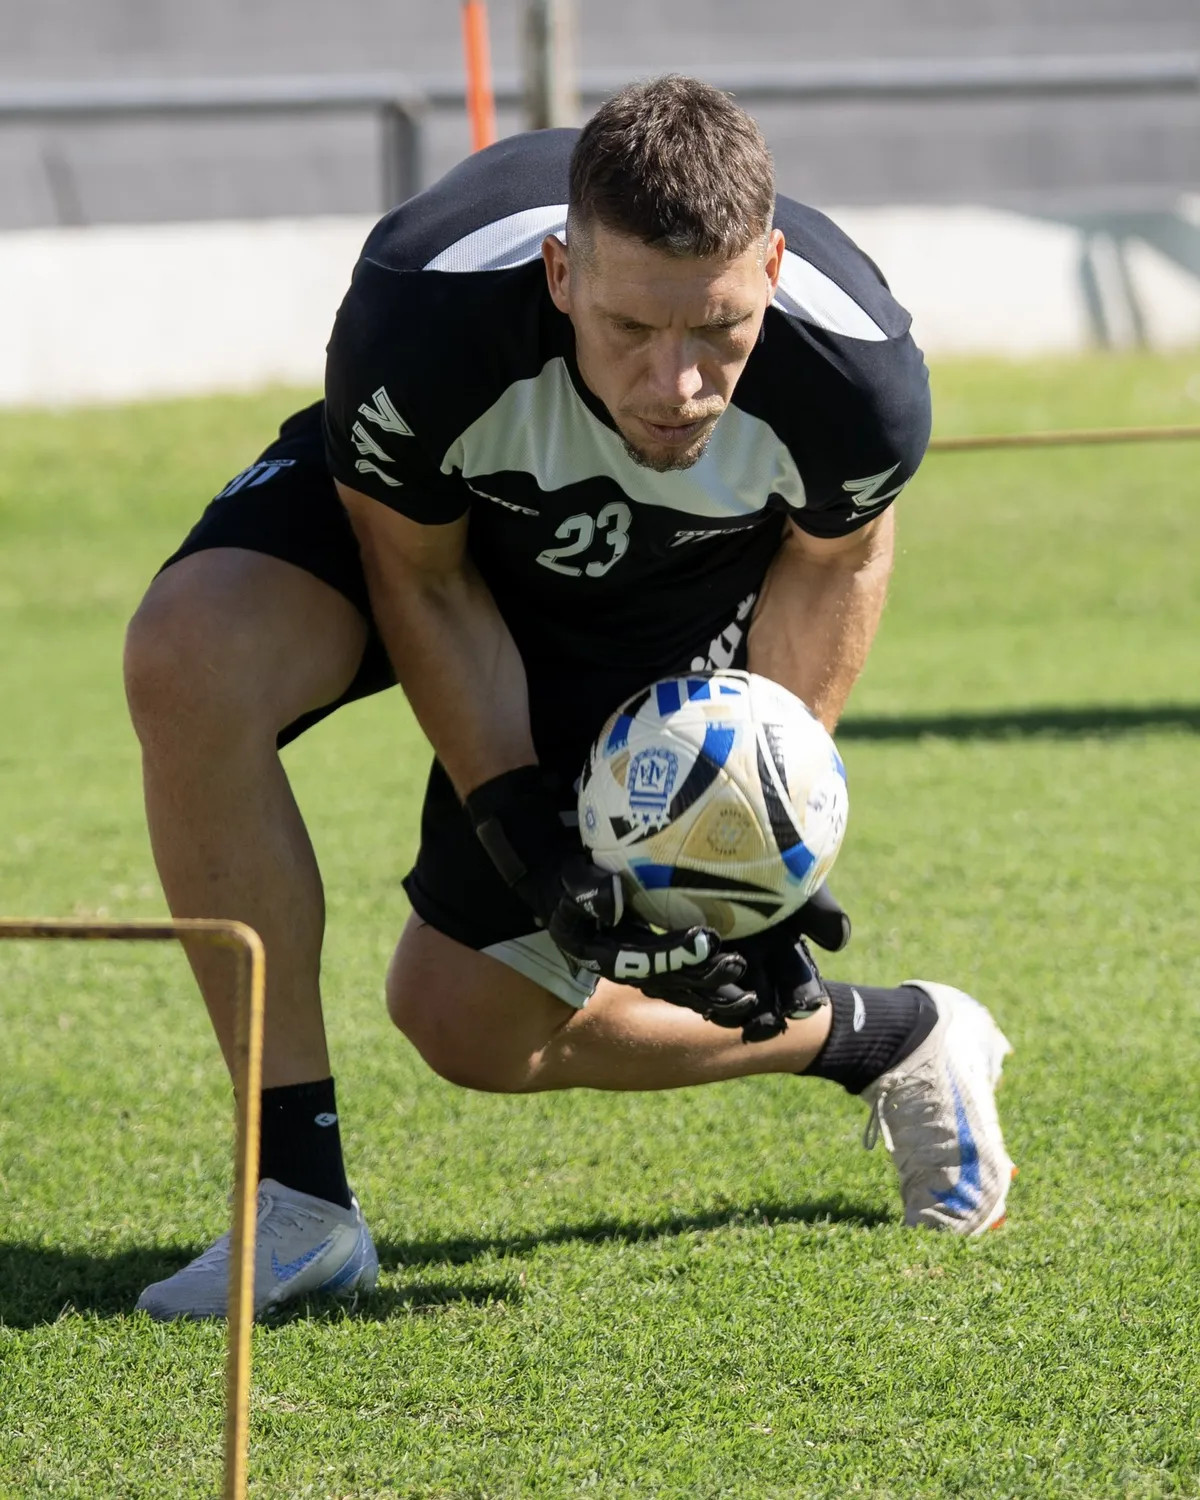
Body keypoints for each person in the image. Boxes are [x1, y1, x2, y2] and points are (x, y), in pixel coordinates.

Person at [126, 76, 1014, 1322]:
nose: (677, 383)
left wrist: (751, 865)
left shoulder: (857, 374)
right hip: (438, 527)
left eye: (718, 330)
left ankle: (890, 1035)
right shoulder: (422, 316)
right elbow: (422, 576)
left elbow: (835, 564)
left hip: (662, 588)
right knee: (189, 652)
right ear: (560, 272)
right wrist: (520, 827)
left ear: (768, 269)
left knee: (464, 1023)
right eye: (630, 327)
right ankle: (297, 1200)